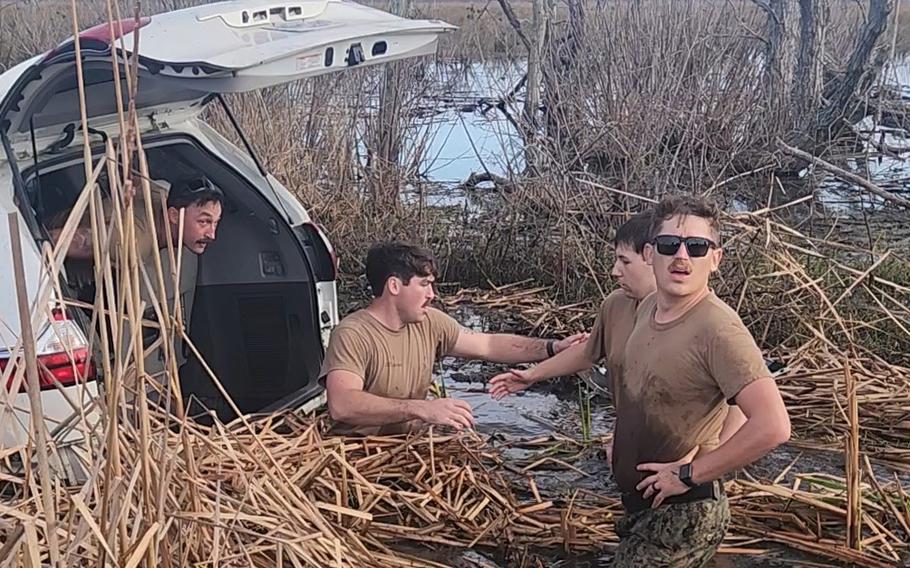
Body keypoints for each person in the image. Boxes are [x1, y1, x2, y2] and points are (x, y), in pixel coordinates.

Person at [606, 195, 788, 567]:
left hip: (684, 514)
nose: (682, 256)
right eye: (670, 244)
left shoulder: (718, 330)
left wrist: (688, 474)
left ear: (716, 259)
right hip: (642, 509)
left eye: (697, 246)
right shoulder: (648, 308)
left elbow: (773, 425)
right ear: (649, 254)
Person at [488, 212, 746, 461]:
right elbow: (590, 352)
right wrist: (532, 375)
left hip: (686, 470)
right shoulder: (617, 306)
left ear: (650, 257)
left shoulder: (709, 323)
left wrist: (700, 466)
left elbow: (742, 408)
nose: (615, 271)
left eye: (624, 261)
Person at [322, 241, 587, 436]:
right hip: (358, 459)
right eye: (424, 284)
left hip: (406, 450)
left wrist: (553, 348)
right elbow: (343, 404)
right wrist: (421, 409)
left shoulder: (429, 322)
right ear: (394, 286)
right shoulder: (353, 333)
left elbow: (488, 345)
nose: (432, 294)